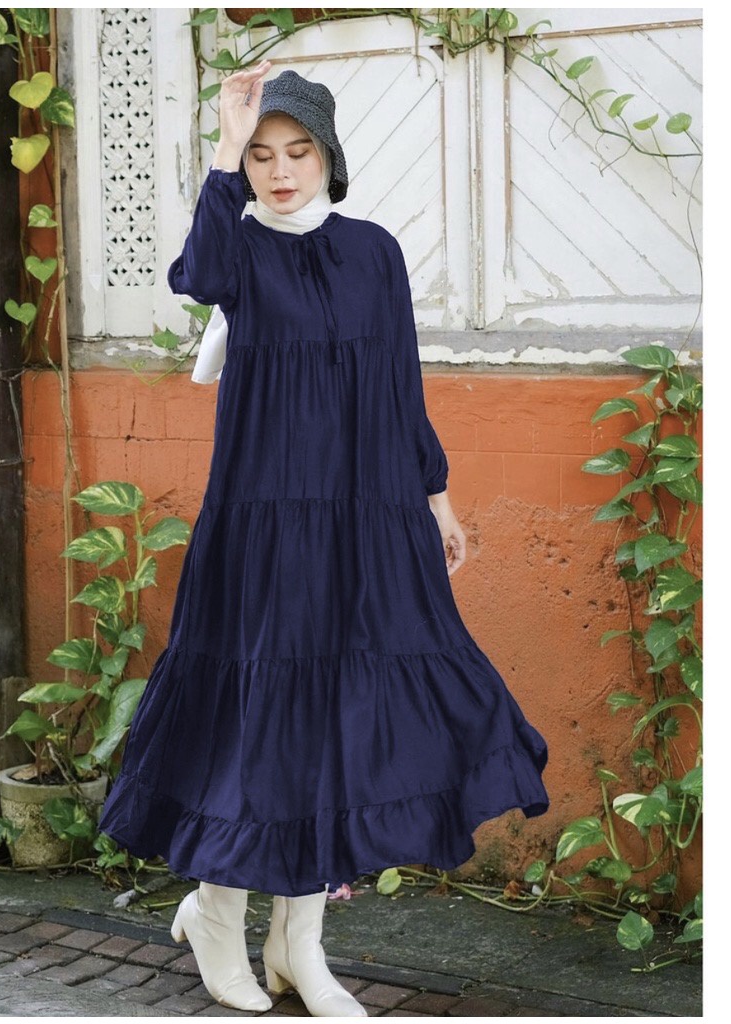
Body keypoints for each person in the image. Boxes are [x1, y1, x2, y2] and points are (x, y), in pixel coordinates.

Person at [97, 61, 550, 1017]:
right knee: (255, 715)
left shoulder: (373, 252)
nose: (279, 171)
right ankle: (217, 914)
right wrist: (223, 148)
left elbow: (398, 383)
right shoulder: (238, 246)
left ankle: (298, 945)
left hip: (362, 515)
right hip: (261, 519)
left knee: (334, 719)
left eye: (297, 152)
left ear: (328, 157)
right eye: (262, 156)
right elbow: (197, 277)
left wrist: (434, 497)